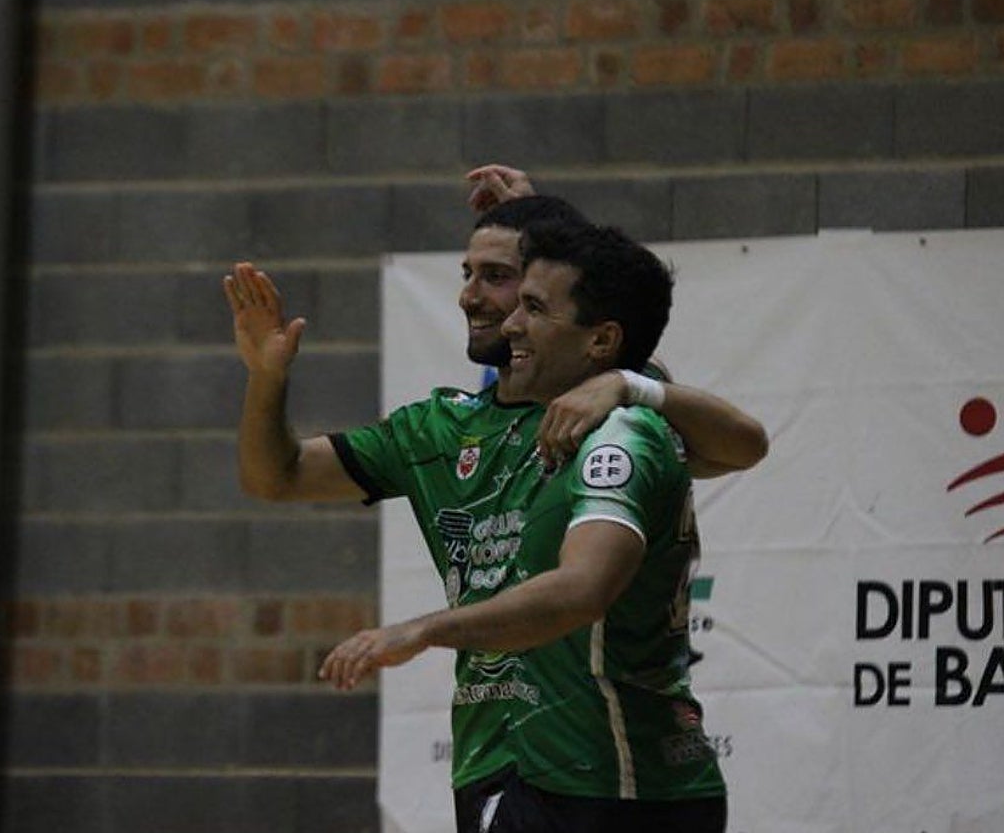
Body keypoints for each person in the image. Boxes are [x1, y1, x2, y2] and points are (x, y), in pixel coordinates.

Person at [225, 190, 764, 832]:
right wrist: (266, 378)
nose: (472, 298)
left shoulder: (610, 420)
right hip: (503, 764)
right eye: (468, 274)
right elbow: (276, 476)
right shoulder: (440, 427)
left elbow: (742, 442)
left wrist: (420, 630)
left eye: (501, 280)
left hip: (596, 776)